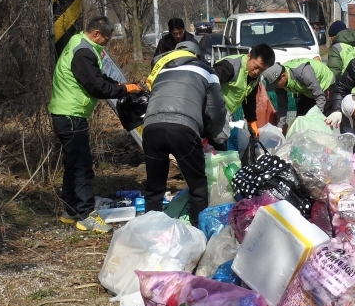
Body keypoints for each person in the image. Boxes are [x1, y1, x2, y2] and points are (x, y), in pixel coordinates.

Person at [49, 16, 142, 233]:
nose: (107, 44)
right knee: (82, 166)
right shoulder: (83, 52)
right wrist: (124, 90)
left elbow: (97, 77)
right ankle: (86, 215)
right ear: (97, 34)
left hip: (66, 113)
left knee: (73, 164)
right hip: (71, 114)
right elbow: (96, 86)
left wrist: (120, 85)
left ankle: (70, 211)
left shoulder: (80, 43)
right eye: (106, 40)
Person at [142, 40, 226, 226]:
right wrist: (209, 133)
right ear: (196, 55)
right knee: (198, 187)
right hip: (184, 128)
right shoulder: (206, 71)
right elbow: (216, 110)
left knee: (154, 189)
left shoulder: (160, 70)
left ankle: (149, 233)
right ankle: (197, 234)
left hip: (151, 128)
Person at [212, 43, 276, 139]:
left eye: (262, 70)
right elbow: (208, 82)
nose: (256, 72)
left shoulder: (255, 78)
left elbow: (249, 100)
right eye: (256, 66)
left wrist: (252, 122)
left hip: (223, 115)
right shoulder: (230, 67)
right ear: (249, 56)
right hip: (212, 112)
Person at [262, 58, 335, 117]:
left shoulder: (303, 73)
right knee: (301, 117)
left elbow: (320, 97)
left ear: (283, 76)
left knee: (323, 119)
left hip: (325, 84)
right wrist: (280, 127)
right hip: (306, 90)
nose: (275, 87)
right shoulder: (278, 82)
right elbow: (282, 105)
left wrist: (316, 117)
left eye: (275, 84)